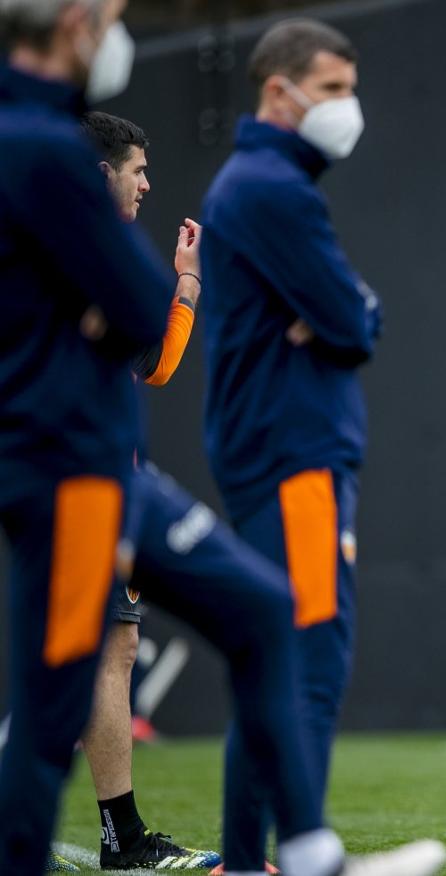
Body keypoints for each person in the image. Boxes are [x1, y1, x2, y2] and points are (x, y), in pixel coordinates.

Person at [0, 3, 445, 874]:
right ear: (75, 24)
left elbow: (145, 320)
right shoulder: (39, 145)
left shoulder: (37, 141)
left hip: (101, 468)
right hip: (67, 469)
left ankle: (303, 853)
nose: (116, 34)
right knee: (60, 695)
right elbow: (138, 308)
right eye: (112, 15)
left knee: (258, 615)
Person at [199, 18, 379, 873]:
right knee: (307, 662)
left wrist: (346, 310)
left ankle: (246, 861)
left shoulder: (266, 181)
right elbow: (351, 318)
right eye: (336, 90)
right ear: (281, 91)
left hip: (277, 447)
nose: (349, 109)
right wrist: (346, 311)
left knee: (280, 659)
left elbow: (347, 311)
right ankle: (278, 856)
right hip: (293, 451)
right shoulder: (272, 187)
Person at [54, 109, 218, 871]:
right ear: (100, 174)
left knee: (105, 648)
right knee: (98, 652)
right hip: (75, 477)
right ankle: (115, 839)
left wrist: (184, 285)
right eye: (136, 169)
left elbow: (151, 367)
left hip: (80, 475)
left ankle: (117, 836)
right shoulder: (74, 248)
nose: (148, 182)